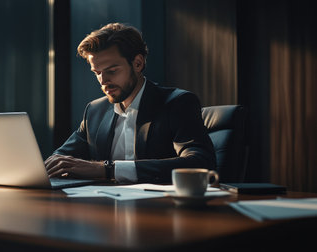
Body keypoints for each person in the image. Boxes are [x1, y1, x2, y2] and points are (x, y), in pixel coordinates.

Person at [45, 23, 215, 183]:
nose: (103, 81)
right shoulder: (95, 110)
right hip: (103, 208)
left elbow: (200, 163)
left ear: (138, 63)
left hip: (160, 209)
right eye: (97, 72)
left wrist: (108, 169)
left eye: (112, 71)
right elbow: (61, 160)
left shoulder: (178, 103)